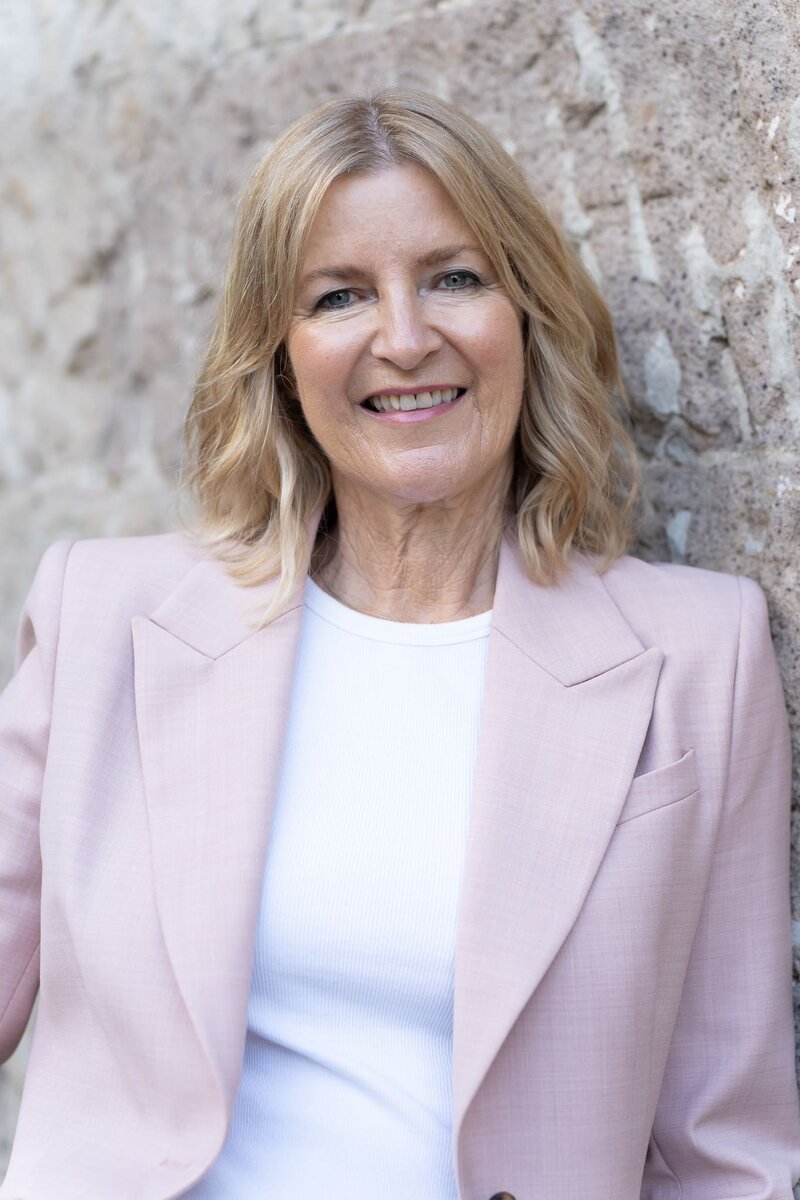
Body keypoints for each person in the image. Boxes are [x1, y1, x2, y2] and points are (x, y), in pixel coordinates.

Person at [0, 89, 798, 1200]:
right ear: (278, 356)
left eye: (454, 278)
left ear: (526, 312)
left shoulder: (696, 659)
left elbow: (729, 1154)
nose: (405, 337)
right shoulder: (107, 619)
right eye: (338, 296)